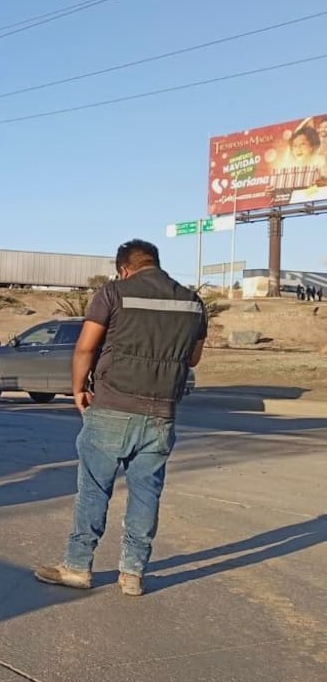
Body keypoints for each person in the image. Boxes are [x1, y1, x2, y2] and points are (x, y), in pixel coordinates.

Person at [34, 239, 207, 596]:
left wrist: (79, 387)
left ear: (124, 268)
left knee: (94, 489)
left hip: (112, 406)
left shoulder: (114, 293)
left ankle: (78, 566)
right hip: (162, 413)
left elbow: (86, 346)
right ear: (155, 263)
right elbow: (193, 359)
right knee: (146, 494)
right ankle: (133, 574)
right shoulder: (193, 302)